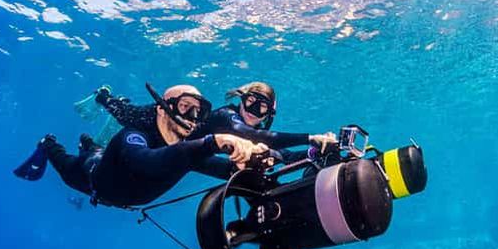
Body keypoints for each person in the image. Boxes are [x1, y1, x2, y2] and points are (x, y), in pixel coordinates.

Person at [14, 84, 267, 208]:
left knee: (96, 149)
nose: (191, 118)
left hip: (112, 166)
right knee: (68, 164)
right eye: (184, 107)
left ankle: (88, 143)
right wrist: (213, 142)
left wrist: (260, 162)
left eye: (198, 113)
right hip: (92, 176)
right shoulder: (133, 135)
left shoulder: (188, 150)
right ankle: (49, 143)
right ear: (163, 107)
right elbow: (147, 161)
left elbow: (227, 171)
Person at [91, 81, 337, 161]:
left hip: (173, 148)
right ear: (241, 101)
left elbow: (281, 154)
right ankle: (105, 97)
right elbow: (258, 136)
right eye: (250, 101)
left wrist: (315, 152)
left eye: (261, 107)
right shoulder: (226, 117)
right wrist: (310, 137)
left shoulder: (250, 131)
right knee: (125, 114)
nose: (252, 110)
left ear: (269, 113)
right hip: (160, 126)